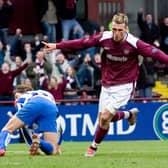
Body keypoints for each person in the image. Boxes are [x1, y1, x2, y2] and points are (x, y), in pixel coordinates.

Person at [42, 13, 168, 157]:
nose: (116, 33)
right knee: (104, 120)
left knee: (105, 117)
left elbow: (156, 53)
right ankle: (128, 114)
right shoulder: (104, 37)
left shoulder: (134, 43)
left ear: (126, 29)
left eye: (120, 30)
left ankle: (93, 147)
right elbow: (82, 43)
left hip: (125, 85)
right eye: (114, 29)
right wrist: (57, 45)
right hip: (107, 85)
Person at [0, 84, 62, 156]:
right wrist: (58, 145)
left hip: (34, 104)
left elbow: (23, 127)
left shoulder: (22, 99)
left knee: (7, 128)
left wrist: (30, 144)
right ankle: (39, 142)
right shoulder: (45, 93)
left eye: (16, 97)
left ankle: (1, 148)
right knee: (54, 151)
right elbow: (58, 124)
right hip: (51, 108)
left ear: (25, 92)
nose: (16, 100)